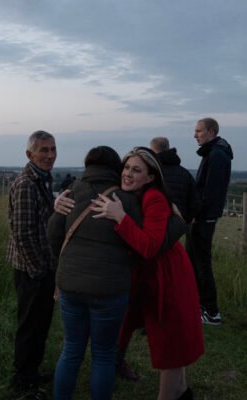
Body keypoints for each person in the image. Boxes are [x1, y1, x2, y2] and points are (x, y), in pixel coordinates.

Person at [91, 147, 204, 400]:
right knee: (168, 340)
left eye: (136, 170)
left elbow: (150, 246)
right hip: (151, 274)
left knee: (170, 344)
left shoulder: (154, 198)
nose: (128, 174)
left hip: (168, 275)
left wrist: (121, 217)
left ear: (151, 177)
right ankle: (181, 392)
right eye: (126, 168)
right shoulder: (131, 193)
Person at [48, 146, 142, 400]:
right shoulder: (126, 200)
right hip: (110, 288)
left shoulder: (71, 192)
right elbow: (138, 244)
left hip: (70, 283)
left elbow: (53, 234)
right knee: (103, 355)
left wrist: (67, 260)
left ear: (88, 165)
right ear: (115, 168)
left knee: (71, 349)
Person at [7, 130, 57, 399]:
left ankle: (32, 373)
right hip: (30, 269)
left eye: (53, 149)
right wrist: (38, 271)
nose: (50, 155)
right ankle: (23, 382)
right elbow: (23, 233)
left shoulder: (42, 179)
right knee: (29, 325)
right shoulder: (27, 184)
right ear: (30, 154)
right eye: (43, 150)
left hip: (41, 266)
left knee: (40, 323)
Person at [188, 117, 233, 325]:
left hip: (204, 218)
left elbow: (211, 192)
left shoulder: (217, 155)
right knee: (194, 261)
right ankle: (199, 306)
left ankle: (211, 312)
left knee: (201, 263)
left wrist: (197, 214)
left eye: (199, 131)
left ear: (212, 131)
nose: (195, 135)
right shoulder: (214, 152)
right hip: (203, 216)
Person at [150, 137, 199, 224]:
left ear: (151, 150)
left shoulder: (150, 173)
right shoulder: (185, 174)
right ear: (168, 148)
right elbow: (194, 201)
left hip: (155, 219)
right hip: (179, 222)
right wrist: (186, 220)